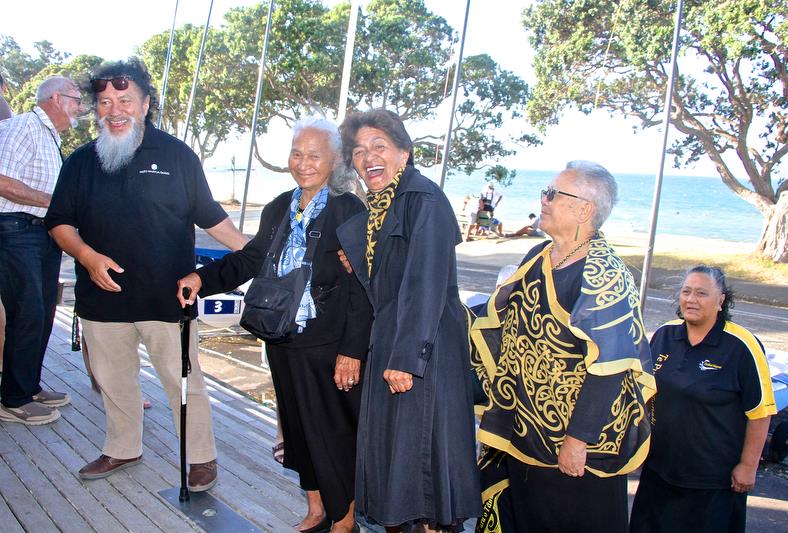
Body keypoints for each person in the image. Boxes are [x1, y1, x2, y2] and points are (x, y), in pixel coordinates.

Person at [45, 58, 248, 489]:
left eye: (125, 100)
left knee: (183, 382)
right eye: (105, 101)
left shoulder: (177, 155)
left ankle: (200, 457)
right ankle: (121, 447)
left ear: (146, 103)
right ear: (96, 108)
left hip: (167, 297)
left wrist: (262, 251)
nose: (115, 109)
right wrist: (87, 256)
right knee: (114, 383)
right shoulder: (80, 162)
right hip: (102, 297)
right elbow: (59, 222)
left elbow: (214, 220)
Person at [179, 118, 372, 533]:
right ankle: (317, 510)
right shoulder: (279, 206)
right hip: (281, 337)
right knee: (300, 431)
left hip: (331, 342)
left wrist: (353, 350)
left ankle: (346, 519)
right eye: (297, 153)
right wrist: (202, 279)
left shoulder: (348, 209)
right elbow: (250, 260)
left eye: (314, 155)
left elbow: (361, 286)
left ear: (335, 160)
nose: (303, 163)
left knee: (336, 432)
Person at [470, 161, 655, 533]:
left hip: (579, 449)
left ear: (584, 209)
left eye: (554, 194)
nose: (544, 200)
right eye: (545, 192)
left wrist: (577, 440)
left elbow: (611, 365)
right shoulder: (538, 256)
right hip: (525, 433)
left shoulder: (606, 274)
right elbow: (496, 319)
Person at [337, 109, 481, 532]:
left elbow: (425, 283)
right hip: (393, 344)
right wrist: (361, 261)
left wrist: (406, 358)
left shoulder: (424, 200)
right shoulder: (381, 208)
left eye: (379, 146)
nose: (368, 157)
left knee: (425, 468)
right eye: (359, 150)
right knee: (396, 465)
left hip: (425, 352)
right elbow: (387, 281)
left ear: (404, 152)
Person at [630, 265, 776, 533]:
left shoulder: (742, 346)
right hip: (660, 470)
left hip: (712, 481)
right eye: (686, 292)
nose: (691, 299)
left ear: (721, 300)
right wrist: (638, 446)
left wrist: (747, 466)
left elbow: (761, 412)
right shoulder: (665, 334)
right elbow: (645, 394)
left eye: (701, 293)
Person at [0, 76, 83, 425]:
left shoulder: (49, 134)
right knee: (28, 311)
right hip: (18, 230)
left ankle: (29, 386)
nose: (80, 107)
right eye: (76, 99)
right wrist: (54, 203)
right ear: (55, 98)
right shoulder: (22, 127)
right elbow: (2, 181)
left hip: (41, 233)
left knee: (43, 311)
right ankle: (14, 399)